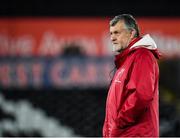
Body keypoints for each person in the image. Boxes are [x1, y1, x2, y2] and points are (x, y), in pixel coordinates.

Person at [103, 14, 160, 137]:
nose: (112, 38)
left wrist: (119, 123)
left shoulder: (142, 56)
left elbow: (141, 96)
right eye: (111, 33)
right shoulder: (127, 61)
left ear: (131, 33)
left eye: (117, 33)